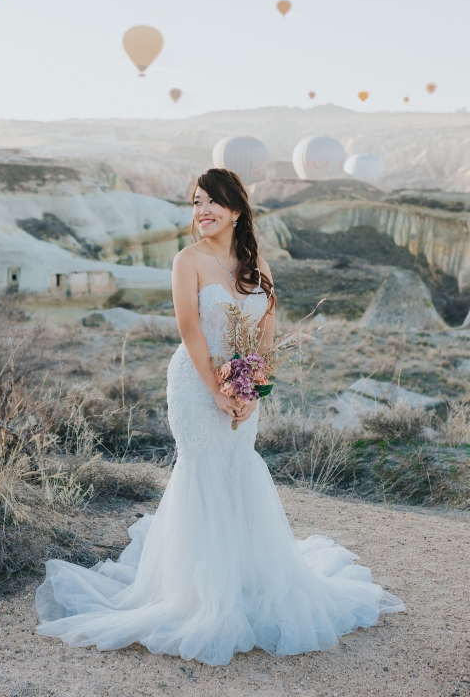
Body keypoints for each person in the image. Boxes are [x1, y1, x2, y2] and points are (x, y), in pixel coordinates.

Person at [34, 168, 404, 666]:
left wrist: (251, 390)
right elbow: (190, 330)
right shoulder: (187, 261)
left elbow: (266, 338)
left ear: (236, 209)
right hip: (194, 384)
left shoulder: (258, 267)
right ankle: (200, 595)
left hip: (243, 391)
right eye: (195, 202)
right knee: (203, 472)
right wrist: (218, 391)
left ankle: (243, 583)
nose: (201, 211)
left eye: (211, 202)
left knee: (237, 471)